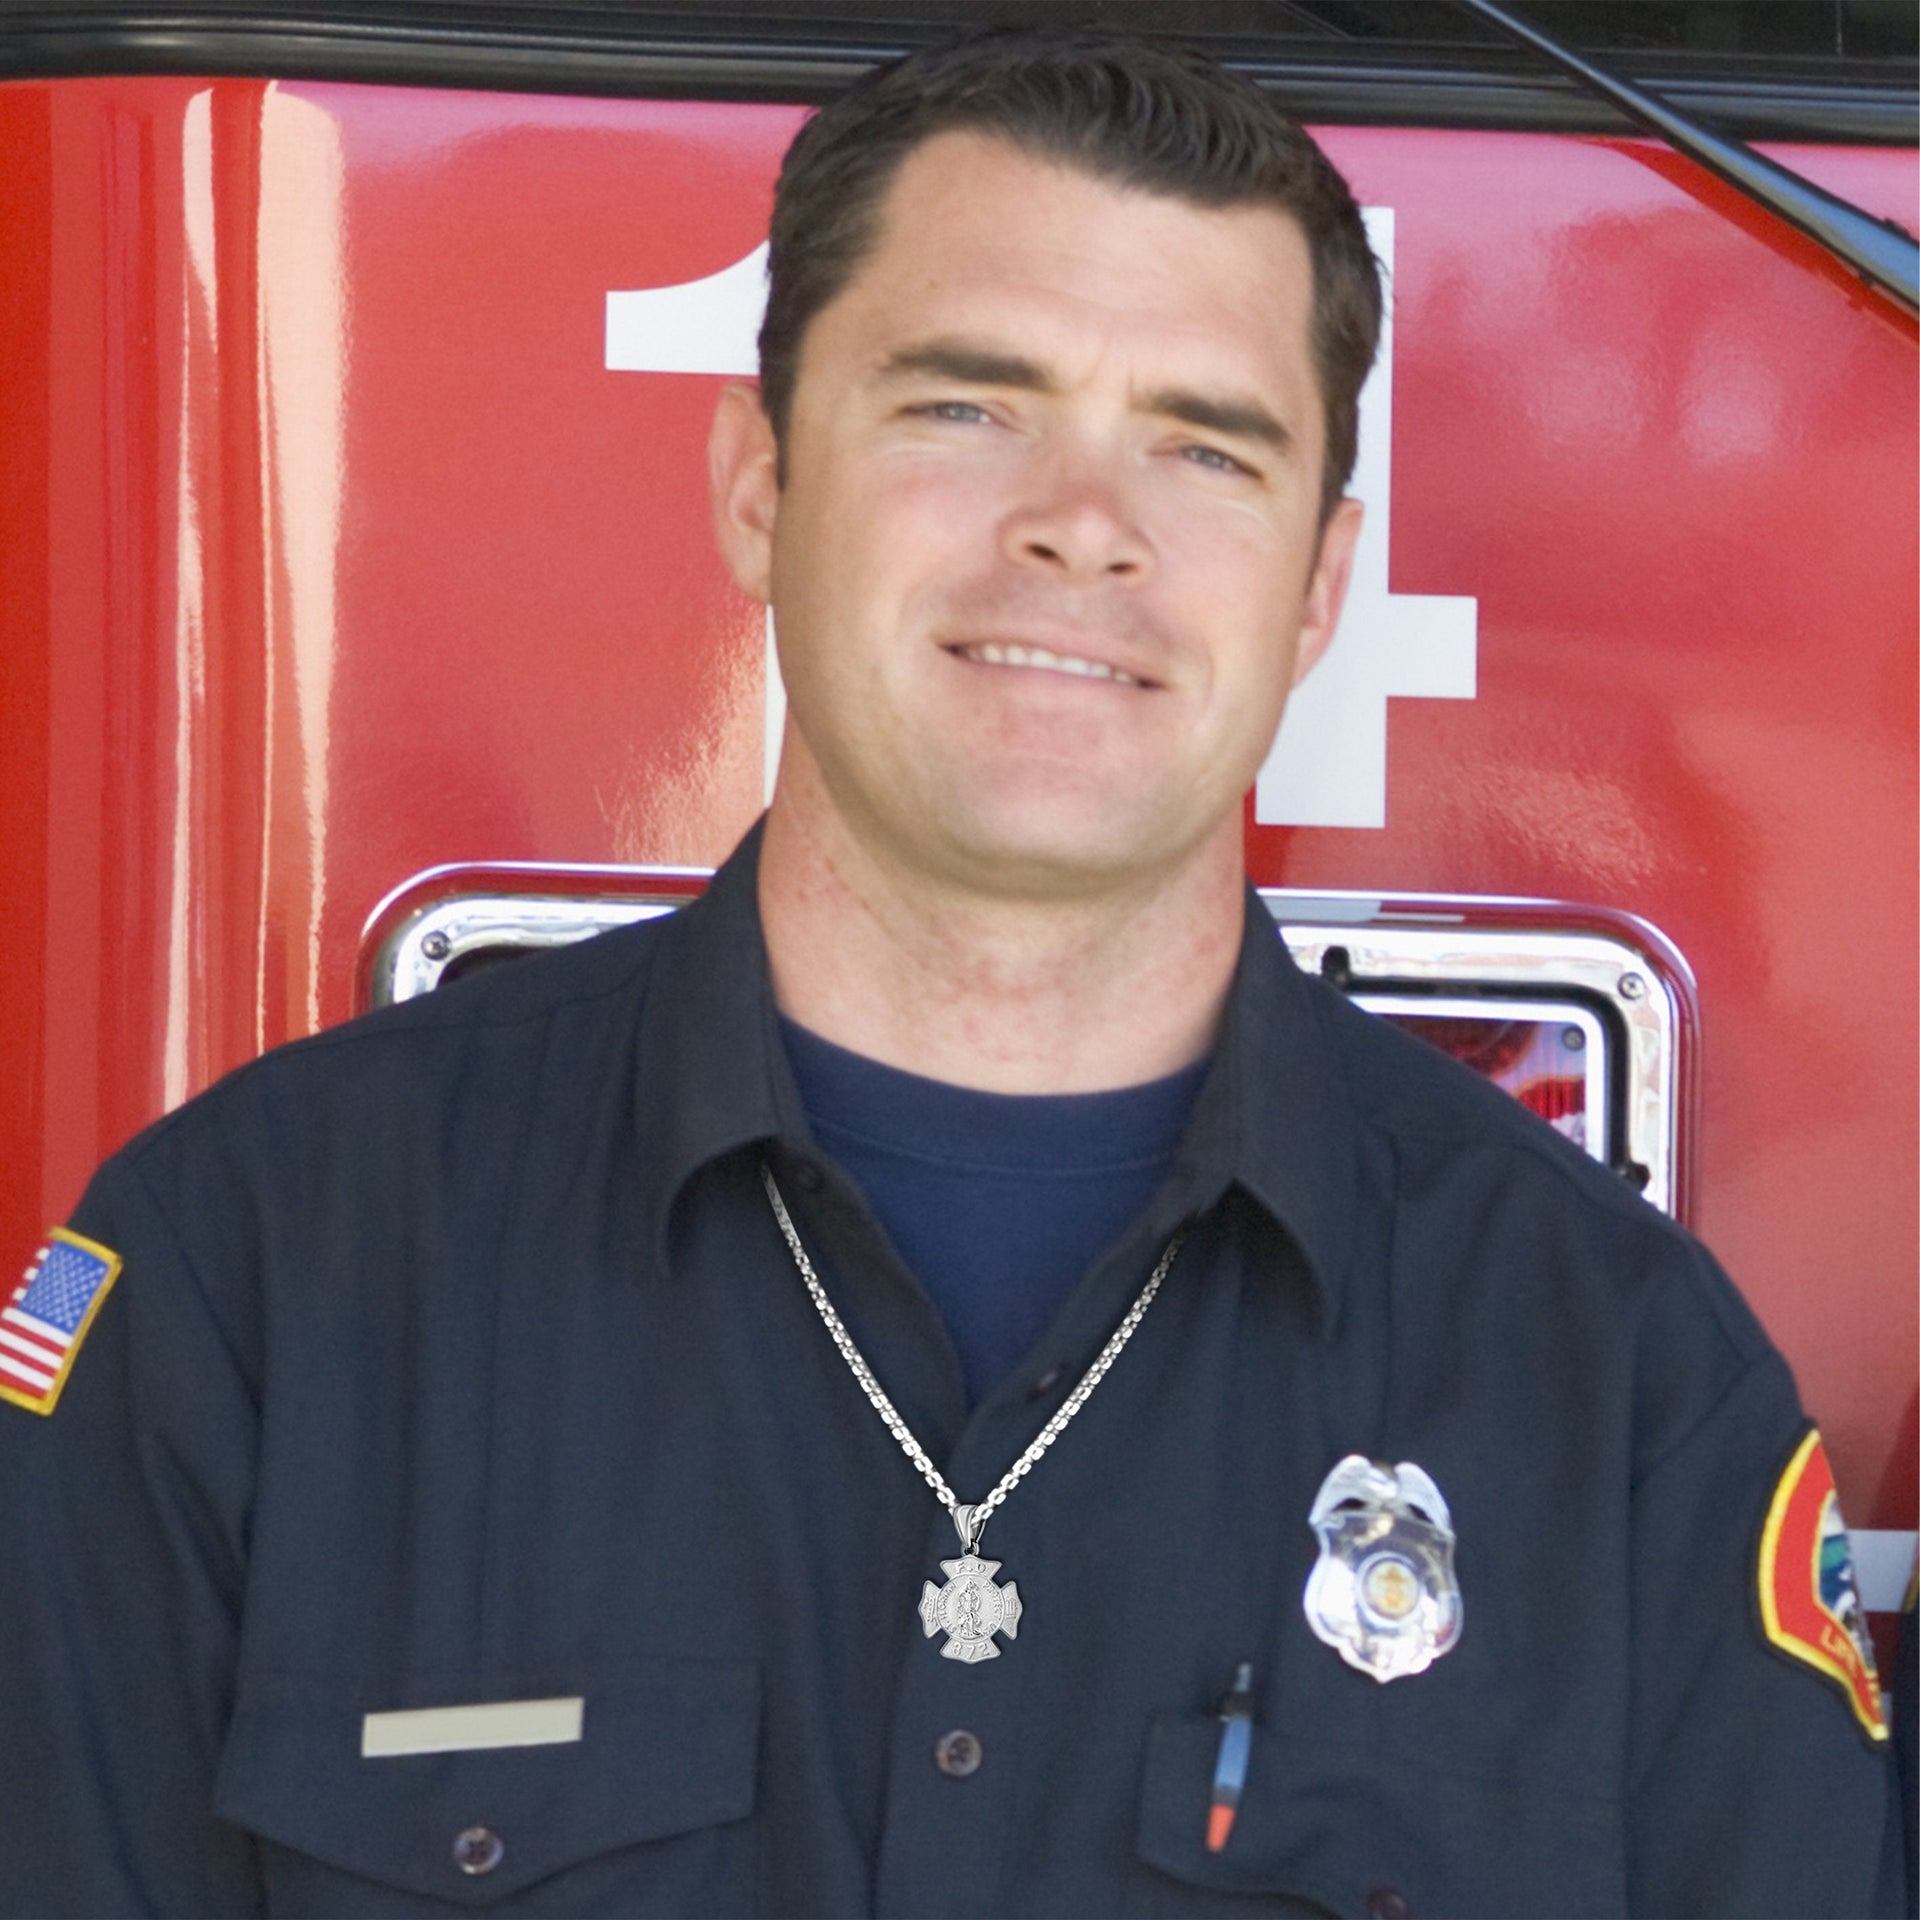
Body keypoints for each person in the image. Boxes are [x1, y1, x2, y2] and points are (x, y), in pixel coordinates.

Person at [0, 28, 1901, 1917]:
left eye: (1204, 444)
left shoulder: (1626, 1390)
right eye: (964, 408)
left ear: (1318, 587)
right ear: (758, 484)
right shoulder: (252, 1280)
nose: (1083, 523)